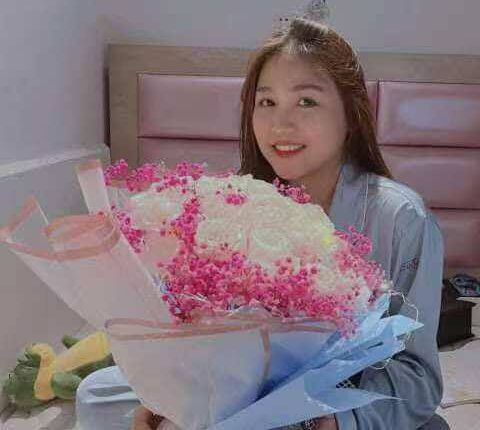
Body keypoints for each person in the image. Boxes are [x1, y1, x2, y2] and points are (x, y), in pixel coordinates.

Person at [78, 17, 448, 430]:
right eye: (266, 102)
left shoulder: (400, 218)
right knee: (95, 395)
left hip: (335, 403)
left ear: (351, 114)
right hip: (235, 396)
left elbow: (418, 377)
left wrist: (340, 421)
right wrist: (167, 396)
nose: (280, 125)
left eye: (306, 102)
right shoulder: (232, 206)